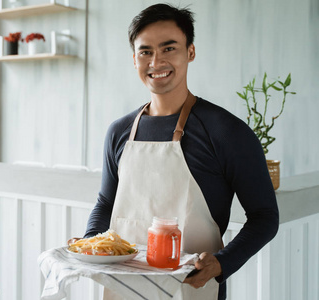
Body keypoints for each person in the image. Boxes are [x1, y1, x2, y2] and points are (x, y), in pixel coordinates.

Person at [79, 3, 279, 300]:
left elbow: (265, 216)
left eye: (169, 48)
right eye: (145, 51)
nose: (156, 61)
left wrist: (221, 263)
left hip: (192, 290)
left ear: (191, 52)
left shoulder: (226, 131)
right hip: (124, 288)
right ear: (134, 59)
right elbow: (106, 203)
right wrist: (87, 246)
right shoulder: (118, 132)